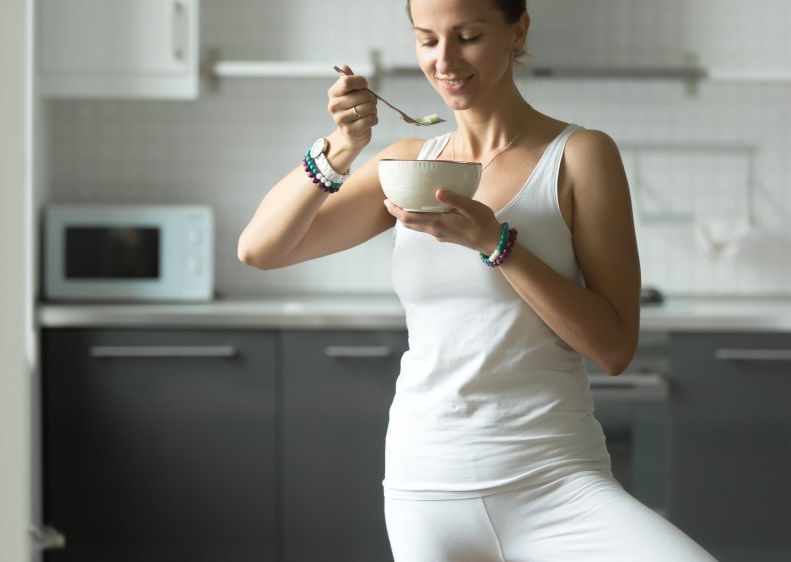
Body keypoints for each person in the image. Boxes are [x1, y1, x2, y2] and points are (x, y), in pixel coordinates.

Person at [238, 0, 716, 559]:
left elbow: (613, 348)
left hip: (556, 480)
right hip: (426, 486)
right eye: (426, 39)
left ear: (518, 30)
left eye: (467, 36)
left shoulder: (580, 156)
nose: (444, 60)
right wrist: (340, 151)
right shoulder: (407, 165)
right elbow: (259, 249)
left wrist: (497, 244)